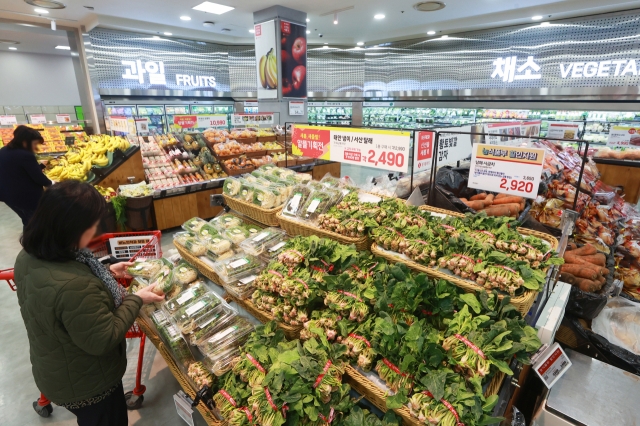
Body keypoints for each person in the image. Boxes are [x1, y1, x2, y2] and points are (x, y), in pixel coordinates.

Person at [14, 181, 165, 426]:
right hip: (89, 384)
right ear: (71, 229)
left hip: (56, 367)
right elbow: (104, 337)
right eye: (91, 225)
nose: (95, 230)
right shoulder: (73, 287)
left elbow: (62, 292)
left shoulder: (28, 256)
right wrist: (137, 299)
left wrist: (106, 271)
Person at [0, 125, 52, 225]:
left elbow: (18, 170)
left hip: (8, 196)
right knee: (35, 222)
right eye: (35, 143)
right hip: (25, 197)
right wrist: (52, 183)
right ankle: (33, 239)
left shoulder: (4, 150)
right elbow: (38, 178)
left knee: (28, 220)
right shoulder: (25, 155)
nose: (35, 147)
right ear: (25, 142)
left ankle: (29, 238)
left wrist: (40, 166)